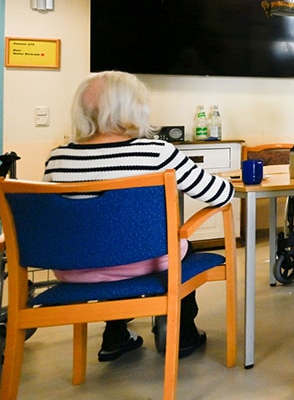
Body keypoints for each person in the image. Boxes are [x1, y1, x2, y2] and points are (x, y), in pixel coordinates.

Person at [42, 70, 234, 362]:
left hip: (75, 268)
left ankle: (116, 334)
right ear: (134, 108)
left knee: (105, 240)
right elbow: (220, 195)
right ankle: (182, 334)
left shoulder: (58, 158)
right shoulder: (157, 153)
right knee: (182, 248)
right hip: (144, 263)